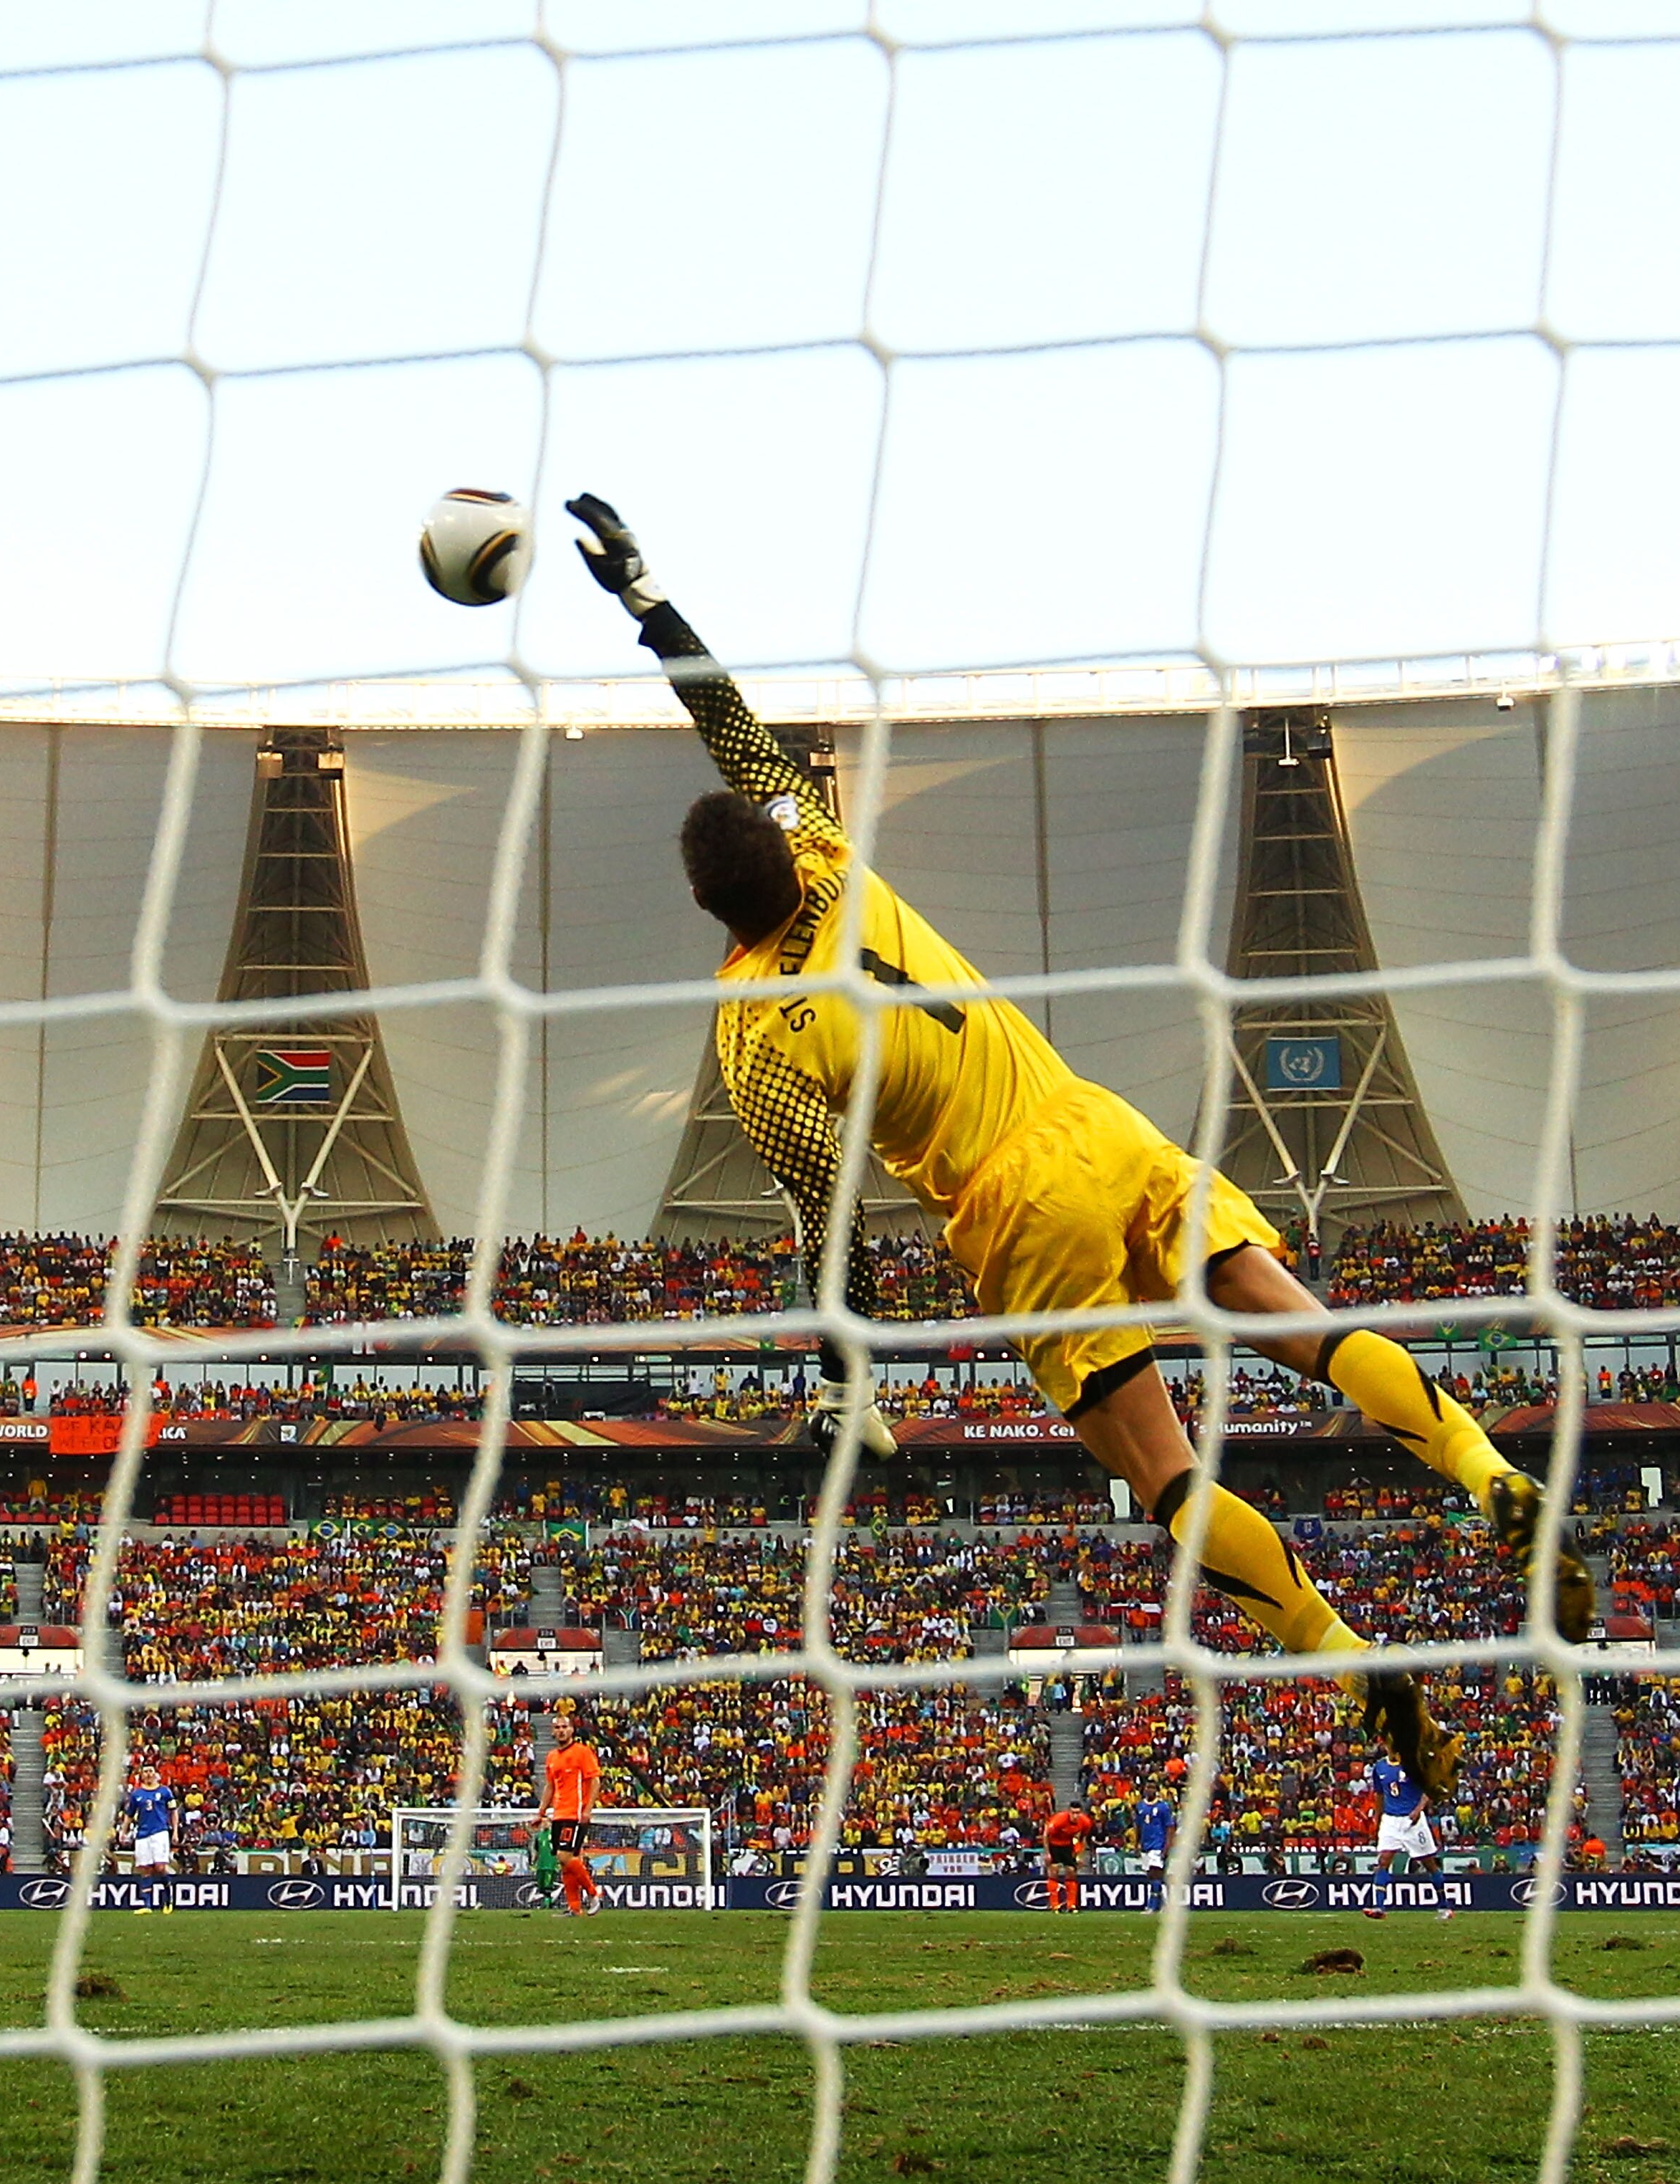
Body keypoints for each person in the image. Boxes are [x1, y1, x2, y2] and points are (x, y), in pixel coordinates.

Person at [554, 494, 1592, 1799]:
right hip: (1093, 1119)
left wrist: (847, 1381)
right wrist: (647, 603)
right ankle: (1481, 1465)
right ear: (782, 839)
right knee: (1300, 1325)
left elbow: (829, 1220)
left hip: (1010, 1208)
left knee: (1162, 1472)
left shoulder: (754, 1032)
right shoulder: (826, 851)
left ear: (708, 908)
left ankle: (1342, 1652)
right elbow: (731, 722)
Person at [1361, 1752, 1451, 1921]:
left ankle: (1444, 1905)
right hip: (1391, 1819)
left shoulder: (1413, 1764)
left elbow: (1429, 1787)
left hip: (1413, 1820)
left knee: (1429, 1864)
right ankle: (1379, 1907)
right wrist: (1378, 1821)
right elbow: (1379, 1795)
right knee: (1383, 1861)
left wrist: (1419, 1809)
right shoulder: (1380, 1767)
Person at [545, 1707, 603, 1917]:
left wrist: (588, 1809)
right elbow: (550, 1786)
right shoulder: (552, 1757)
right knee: (566, 1861)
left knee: (565, 1856)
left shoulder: (582, 1752)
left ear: (572, 1730)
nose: (561, 1731)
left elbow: (595, 1780)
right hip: (559, 1813)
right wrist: (542, 1812)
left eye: (564, 1727)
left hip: (575, 1813)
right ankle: (575, 1907)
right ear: (553, 1732)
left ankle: (593, 1894)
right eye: (557, 1728)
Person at [121, 1766, 178, 1912]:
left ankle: (168, 1901)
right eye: (146, 1771)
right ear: (141, 1775)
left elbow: (173, 1811)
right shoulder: (137, 1794)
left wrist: (175, 1832)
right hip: (142, 1834)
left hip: (160, 1832)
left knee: (160, 1867)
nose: (149, 1774)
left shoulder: (165, 1791)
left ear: (156, 1774)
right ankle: (147, 1905)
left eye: (151, 1771)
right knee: (146, 1869)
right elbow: (130, 1814)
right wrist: (124, 1831)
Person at [1040, 1804, 1091, 1912]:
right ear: (1069, 1812)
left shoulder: (1085, 1822)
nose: (1075, 1816)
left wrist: (1079, 1855)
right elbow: (1046, 1835)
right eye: (1073, 1813)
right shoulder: (1059, 1820)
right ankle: (1055, 1905)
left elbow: (1083, 1839)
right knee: (1054, 1870)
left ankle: (1071, 1905)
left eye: (1078, 1813)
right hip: (1054, 1844)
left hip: (1068, 1845)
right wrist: (1048, 1853)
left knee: (1071, 1871)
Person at [1134, 1782, 1177, 1890]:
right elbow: (1138, 1826)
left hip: (1158, 1845)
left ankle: (1154, 1905)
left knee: (1156, 1874)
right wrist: (1137, 1844)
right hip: (1145, 1845)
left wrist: (1167, 1846)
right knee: (1150, 1876)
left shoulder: (1163, 1807)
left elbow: (1170, 1827)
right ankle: (1160, 1900)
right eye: (1148, 1787)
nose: (1149, 1790)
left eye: (1152, 1787)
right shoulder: (1140, 1806)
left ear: (1157, 1790)